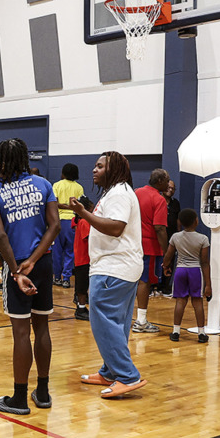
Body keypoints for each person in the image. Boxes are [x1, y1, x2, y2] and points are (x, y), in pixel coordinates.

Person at [0, 138, 59, 414]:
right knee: (42, 328)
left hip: (17, 267)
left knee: (21, 332)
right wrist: (35, 260)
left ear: (1, 161)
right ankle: (44, 392)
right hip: (44, 264)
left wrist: (16, 270)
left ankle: (19, 398)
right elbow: (55, 226)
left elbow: (0, 235)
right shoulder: (44, 185)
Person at [70, 151, 148, 399]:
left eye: (100, 166)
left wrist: (83, 213)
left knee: (103, 321)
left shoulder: (119, 194)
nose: (94, 170)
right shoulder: (116, 193)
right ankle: (110, 371)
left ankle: (127, 375)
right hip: (120, 267)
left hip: (113, 267)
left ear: (113, 170)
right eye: (95, 165)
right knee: (117, 324)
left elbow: (116, 228)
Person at [163, 209, 212, 343]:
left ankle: (176, 331)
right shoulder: (203, 239)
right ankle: (201, 333)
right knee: (197, 302)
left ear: (180, 222)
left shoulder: (175, 237)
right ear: (196, 221)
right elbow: (204, 262)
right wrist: (208, 284)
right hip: (195, 271)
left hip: (180, 271)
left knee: (180, 301)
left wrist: (165, 266)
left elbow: (169, 255)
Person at [132, 168, 171, 333]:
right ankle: (140, 321)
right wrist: (168, 252)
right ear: (160, 181)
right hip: (148, 247)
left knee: (131, 280)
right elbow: (160, 228)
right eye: (167, 180)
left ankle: (125, 317)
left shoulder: (136, 192)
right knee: (144, 282)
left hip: (132, 243)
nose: (169, 184)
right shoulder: (159, 199)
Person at [52, 163, 84, 288]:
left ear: (63, 173)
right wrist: (70, 207)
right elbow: (79, 205)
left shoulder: (57, 185)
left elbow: (54, 203)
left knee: (57, 252)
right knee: (70, 252)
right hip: (73, 222)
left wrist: (63, 205)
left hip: (59, 222)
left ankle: (57, 277)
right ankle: (66, 278)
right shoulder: (79, 188)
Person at [72, 195, 94, 321]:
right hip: (84, 259)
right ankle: (80, 309)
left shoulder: (79, 220)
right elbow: (90, 238)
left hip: (81, 258)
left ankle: (81, 307)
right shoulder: (85, 222)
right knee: (82, 286)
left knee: (82, 286)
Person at [159, 179, 181, 297]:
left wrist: (178, 234)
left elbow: (178, 220)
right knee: (157, 261)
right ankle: (154, 287)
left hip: (172, 237)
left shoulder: (175, 203)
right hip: (158, 236)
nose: (170, 190)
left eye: (173, 189)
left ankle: (165, 287)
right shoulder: (158, 201)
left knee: (170, 261)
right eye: (169, 188)